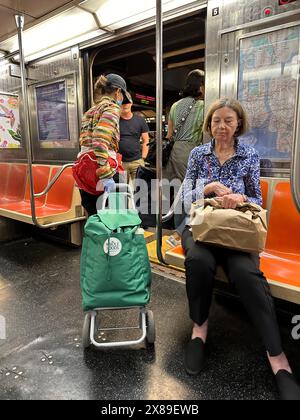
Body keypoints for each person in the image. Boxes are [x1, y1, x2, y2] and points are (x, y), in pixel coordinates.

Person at [181, 98, 300, 400]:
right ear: (209, 125)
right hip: (202, 229)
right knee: (198, 260)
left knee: (247, 273)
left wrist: (238, 198)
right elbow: (183, 196)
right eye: (216, 120)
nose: (222, 126)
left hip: (237, 232)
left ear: (238, 125)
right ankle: (199, 328)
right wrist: (205, 189)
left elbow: (258, 201)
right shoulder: (198, 154)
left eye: (228, 120)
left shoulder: (249, 155)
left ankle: (277, 357)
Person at [76, 73, 131, 217]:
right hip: (105, 169)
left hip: (86, 170)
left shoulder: (90, 111)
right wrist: (106, 176)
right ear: (118, 92)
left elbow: (84, 141)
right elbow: (100, 141)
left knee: (96, 219)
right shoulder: (112, 108)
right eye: (122, 97)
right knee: (116, 219)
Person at [164, 69, 205, 247]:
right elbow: (205, 132)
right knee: (190, 193)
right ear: (201, 86)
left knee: (178, 191)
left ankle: (177, 228)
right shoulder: (203, 106)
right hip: (191, 151)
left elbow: (170, 133)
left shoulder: (175, 105)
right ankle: (181, 234)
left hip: (175, 151)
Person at [119, 95, 150, 186]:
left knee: (141, 191)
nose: (125, 105)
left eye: (127, 102)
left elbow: (146, 141)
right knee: (119, 193)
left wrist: (143, 157)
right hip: (120, 163)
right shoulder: (115, 120)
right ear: (119, 104)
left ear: (131, 103)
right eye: (123, 103)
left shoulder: (140, 120)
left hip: (137, 161)